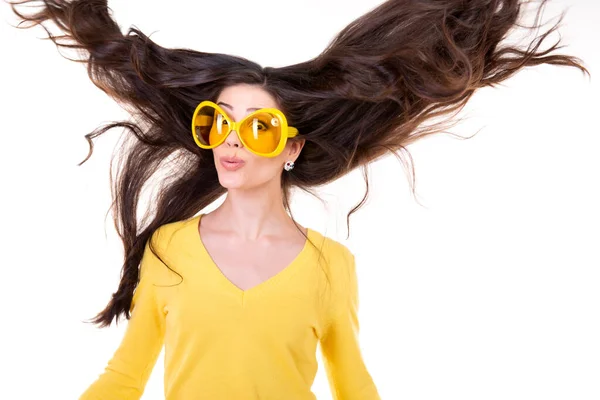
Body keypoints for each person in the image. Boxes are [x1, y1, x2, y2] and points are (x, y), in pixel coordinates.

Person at [8, 0, 589, 399]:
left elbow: (351, 382)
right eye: (219, 124)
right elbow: (125, 375)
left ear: (290, 149)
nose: (232, 141)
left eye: (257, 127)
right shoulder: (170, 249)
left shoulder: (330, 265)